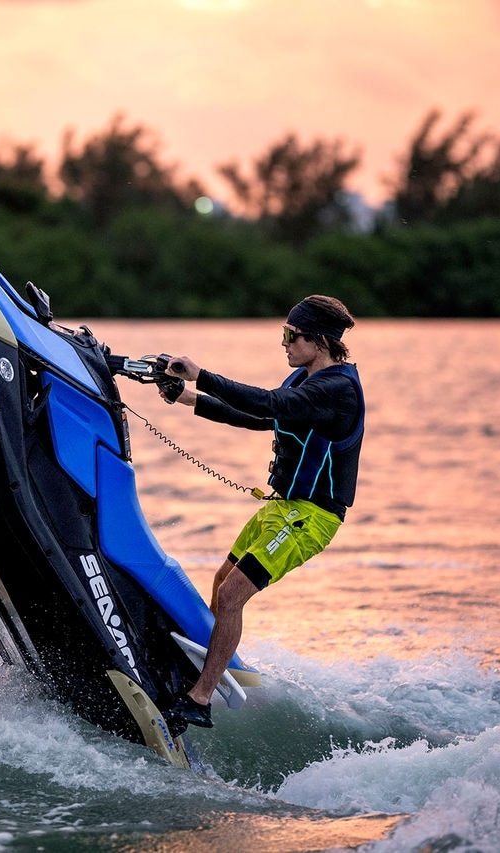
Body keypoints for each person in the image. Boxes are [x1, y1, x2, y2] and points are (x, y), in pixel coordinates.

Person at [159, 295, 365, 734]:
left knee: (234, 593)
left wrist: (202, 375)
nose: (284, 343)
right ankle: (208, 666)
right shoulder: (306, 378)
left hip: (312, 517)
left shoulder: (337, 390)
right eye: (283, 333)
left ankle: (200, 700)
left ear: (319, 341)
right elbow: (259, 418)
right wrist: (188, 397)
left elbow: (268, 403)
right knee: (222, 581)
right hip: (282, 508)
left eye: (292, 335)